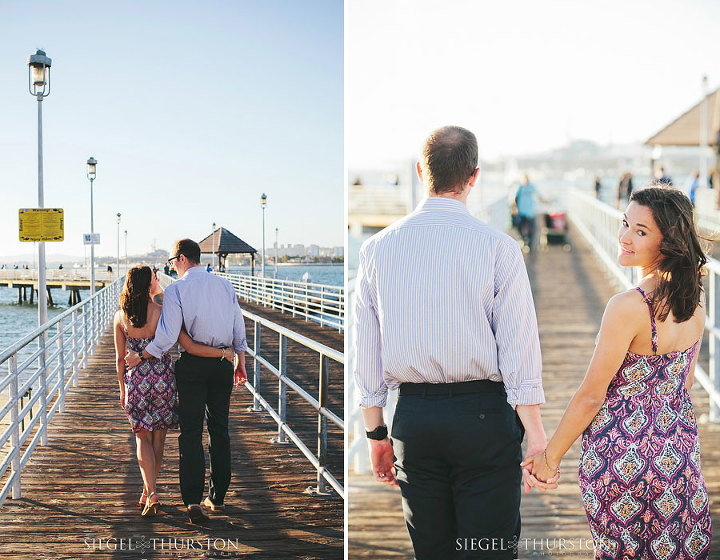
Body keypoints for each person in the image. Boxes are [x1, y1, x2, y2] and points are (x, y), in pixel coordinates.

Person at [354, 126, 554, 560]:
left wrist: (375, 434)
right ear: (474, 176)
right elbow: (519, 349)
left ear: (421, 170)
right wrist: (537, 438)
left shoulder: (375, 250)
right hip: (484, 419)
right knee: (490, 550)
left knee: (433, 551)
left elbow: (367, 352)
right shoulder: (499, 248)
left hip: (415, 420)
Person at [523, 186, 712, 558]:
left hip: (620, 462)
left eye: (641, 231)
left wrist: (550, 459)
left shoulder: (629, 305)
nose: (624, 236)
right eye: (626, 223)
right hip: (677, 455)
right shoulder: (696, 301)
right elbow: (684, 383)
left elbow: (592, 395)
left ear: (669, 241)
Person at [125, 239, 247, 524]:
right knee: (220, 430)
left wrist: (143, 354)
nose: (170, 268)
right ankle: (217, 498)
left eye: (170, 262)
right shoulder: (224, 285)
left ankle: (193, 501)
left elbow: (167, 337)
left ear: (180, 259)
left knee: (191, 432)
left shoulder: (177, 290)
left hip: (192, 367)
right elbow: (237, 326)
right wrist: (240, 361)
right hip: (223, 363)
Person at [515, 174, 540, 252]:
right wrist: (515, 209)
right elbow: (515, 198)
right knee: (519, 227)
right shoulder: (520, 188)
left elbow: (538, 196)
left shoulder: (532, 187)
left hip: (529, 212)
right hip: (521, 212)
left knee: (531, 229)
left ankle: (530, 244)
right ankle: (523, 240)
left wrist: (546, 202)